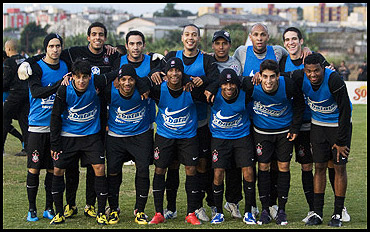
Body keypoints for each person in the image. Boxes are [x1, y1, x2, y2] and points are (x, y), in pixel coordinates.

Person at [18, 22, 121, 220]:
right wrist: (26, 62)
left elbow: (124, 63)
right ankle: (62, 205)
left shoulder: (108, 55)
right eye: (94, 34)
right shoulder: (72, 54)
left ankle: (88, 205)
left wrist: (156, 61)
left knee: (92, 168)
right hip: (53, 127)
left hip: (90, 127)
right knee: (58, 168)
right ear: (88, 37)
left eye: (101, 34)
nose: (97, 37)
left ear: (105, 38)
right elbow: (45, 63)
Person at [150, 24, 219, 222]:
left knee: (201, 167)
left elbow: (215, 80)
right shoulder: (173, 55)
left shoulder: (206, 59)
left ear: (199, 38)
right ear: (182, 37)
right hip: (170, 129)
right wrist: (156, 72)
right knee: (170, 167)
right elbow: (156, 72)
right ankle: (169, 208)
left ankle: (198, 207)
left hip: (198, 124)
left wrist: (199, 81)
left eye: (194, 35)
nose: (190, 38)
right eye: (187, 34)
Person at [49, 59, 119, 225]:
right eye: (78, 77)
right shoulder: (64, 89)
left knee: (99, 168)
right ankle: (59, 213)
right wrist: (55, 144)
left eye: (85, 77)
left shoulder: (97, 81)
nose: (81, 80)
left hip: (91, 136)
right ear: (72, 77)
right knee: (58, 170)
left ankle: (101, 212)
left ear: (90, 77)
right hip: (68, 137)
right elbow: (55, 117)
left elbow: (118, 72)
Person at [290, 53, 352, 227]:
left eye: (316, 70)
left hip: (338, 126)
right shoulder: (299, 76)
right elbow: (279, 74)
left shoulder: (335, 81)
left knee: (339, 167)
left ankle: (338, 214)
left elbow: (345, 111)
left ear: (323, 68)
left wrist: (340, 141)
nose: (313, 75)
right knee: (319, 167)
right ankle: (317, 213)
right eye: (309, 71)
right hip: (318, 126)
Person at [241, 59, 305, 225]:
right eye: (265, 77)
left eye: (272, 77)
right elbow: (235, 91)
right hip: (261, 133)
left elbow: (299, 104)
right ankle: (265, 209)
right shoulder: (251, 84)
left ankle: (281, 210)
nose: (268, 81)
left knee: (283, 166)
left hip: (284, 132)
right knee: (263, 167)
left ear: (278, 76)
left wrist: (295, 128)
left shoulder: (288, 84)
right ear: (259, 76)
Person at [147, 57, 207, 225]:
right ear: (165, 74)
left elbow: (212, 86)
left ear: (182, 73)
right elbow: (141, 82)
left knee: (191, 170)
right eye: (171, 70)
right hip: (165, 136)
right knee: (160, 170)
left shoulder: (191, 89)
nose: (174, 73)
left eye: (178, 70)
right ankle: (159, 212)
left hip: (188, 137)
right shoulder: (159, 89)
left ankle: (191, 213)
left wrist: (199, 84)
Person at [24, 33, 68, 222]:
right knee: (34, 169)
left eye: (58, 46)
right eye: (51, 46)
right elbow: (36, 92)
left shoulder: (66, 66)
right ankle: (31, 208)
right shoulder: (36, 68)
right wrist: (58, 85)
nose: (55, 49)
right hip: (37, 128)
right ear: (46, 48)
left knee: (53, 170)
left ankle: (48, 207)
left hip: (57, 129)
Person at [204, 68, 256, 224]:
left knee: (248, 172)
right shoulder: (212, 96)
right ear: (220, 85)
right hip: (220, 139)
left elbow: (250, 81)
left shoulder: (245, 94)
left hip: (242, 137)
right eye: (225, 84)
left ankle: (249, 211)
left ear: (237, 85)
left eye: (232, 84)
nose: (229, 88)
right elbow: (200, 83)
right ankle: (218, 212)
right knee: (218, 173)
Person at [103, 64, 152, 225]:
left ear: (135, 80)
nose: (127, 83)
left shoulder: (144, 90)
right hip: (116, 137)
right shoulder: (110, 91)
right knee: (113, 172)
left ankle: (140, 210)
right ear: (117, 81)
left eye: (131, 79)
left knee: (143, 170)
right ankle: (114, 209)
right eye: (123, 79)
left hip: (140, 135)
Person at [210, 30, 245, 219]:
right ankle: (213, 204)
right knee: (215, 167)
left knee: (235, 167)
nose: (221, 47)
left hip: (236, 122)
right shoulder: (209, 61)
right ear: (213, 45)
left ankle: (233, 202)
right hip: (213, 122)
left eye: (224, 43)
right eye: (217, 43)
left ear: (230, 45)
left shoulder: (236, 63)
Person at [3, 39, 28, 157]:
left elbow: (6, 81)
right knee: (24, 122)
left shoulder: (9, 62)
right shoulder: (24, 60)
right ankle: (27, 148)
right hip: (26, 94)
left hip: (14, 95)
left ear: (8, 49)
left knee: (4, 119)